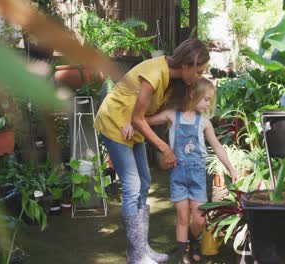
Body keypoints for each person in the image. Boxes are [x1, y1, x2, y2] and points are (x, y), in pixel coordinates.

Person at [94, 39, 210, 264]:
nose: (199, 76)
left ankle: (142, 249)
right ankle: (136, 257)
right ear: (186, 65)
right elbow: (138, 117)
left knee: (145, 182)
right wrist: (164, 147)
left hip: (131, 127)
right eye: (199, 71)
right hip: (114, 123)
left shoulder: (173, 81)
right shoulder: (155, 74)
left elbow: (143, 116)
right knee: (132, 186)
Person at [146, 78, 238, 263]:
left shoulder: (204, 122)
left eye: (209, 101)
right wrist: (131, 123)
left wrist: (232, 170)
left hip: (197, 176)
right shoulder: (172, 115)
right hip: (178, 175)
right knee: (182, 216)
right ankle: (182, 253)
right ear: (192, 95)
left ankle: (191, 241)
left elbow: (218, 147)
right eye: (205, 99)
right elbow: (145, 121)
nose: (207, 104)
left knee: (199, 219)